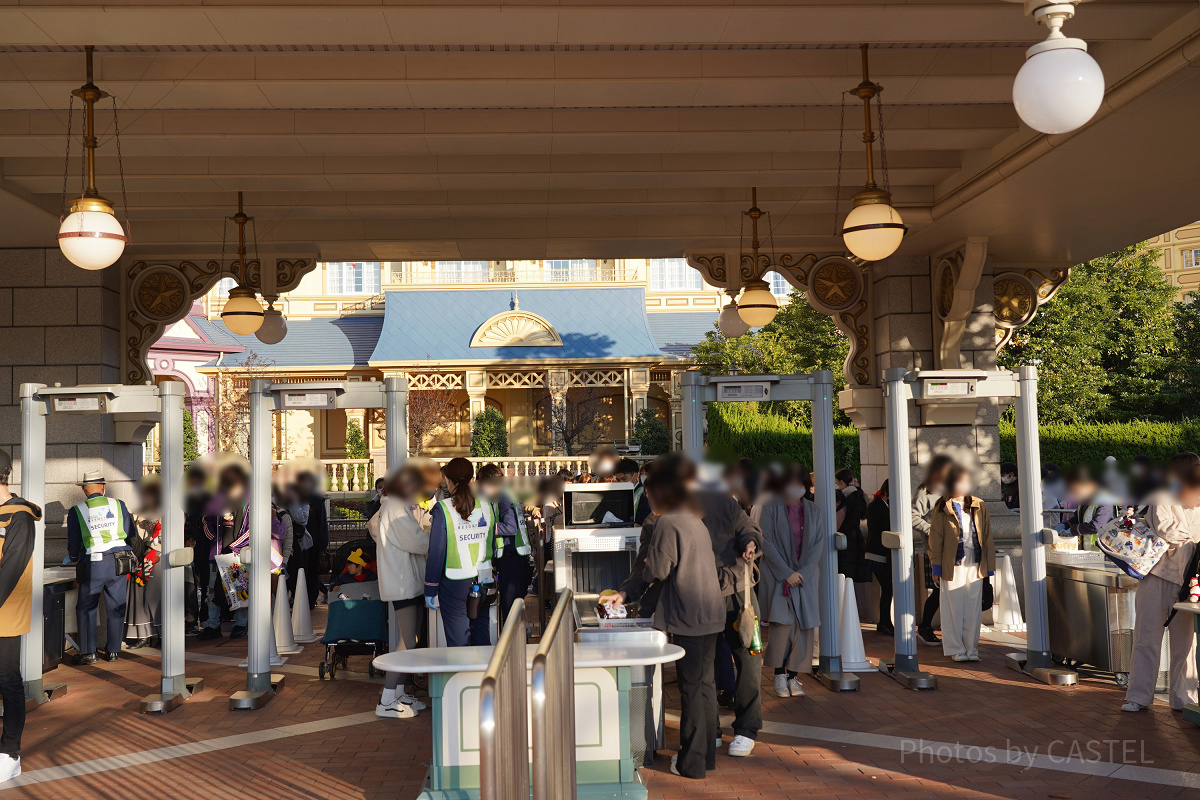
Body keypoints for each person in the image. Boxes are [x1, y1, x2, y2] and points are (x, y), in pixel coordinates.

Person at [640, 471, 725, 780]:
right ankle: (705, 758)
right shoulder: (693, 519)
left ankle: (690, 763)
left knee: (691, 690)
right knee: (705, 687)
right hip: (711, 612)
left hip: (688, 616)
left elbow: (659, 571)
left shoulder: (667, 522)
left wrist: (647, 568)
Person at [681, 455, 762, 758]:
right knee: (707, 665)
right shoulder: (678, 510)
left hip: (739, 595)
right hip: (700, 595)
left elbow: (747, 526)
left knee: (749, 659)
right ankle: (710, 728)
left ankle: (746, 728)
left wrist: (751, 542)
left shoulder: (724, 504)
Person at [1122, 454, 1200, 713]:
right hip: (1156, 576)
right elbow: (1167, 530)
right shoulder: (1162, 498)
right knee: (1147, 638)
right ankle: (1139, 696)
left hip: (1188, 584)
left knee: (1186, 644)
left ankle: (1184, 698)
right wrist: (1193, 539)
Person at [758, 464, 825, 698]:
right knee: (782, 626)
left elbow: (818, 545)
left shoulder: (814, 511)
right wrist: (786, 572)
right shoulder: (771, 507)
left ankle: (794, 676)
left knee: (805, 628)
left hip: (805, 578)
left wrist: (802, 572)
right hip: (779, 578)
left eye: (799, 483)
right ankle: (778, 674)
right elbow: (766, 541)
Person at [369, 465, 430, 719]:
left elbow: (373, 527)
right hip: (403, 581)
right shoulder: (394, 507)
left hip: (406, 580)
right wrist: (437, 537)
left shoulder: (393, 505)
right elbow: (414, 539)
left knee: (411, 639)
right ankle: (386, 698)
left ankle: (398, 693)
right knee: (406, 641)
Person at [424, 458, 496, 647]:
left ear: (447, 479)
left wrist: (430, 587)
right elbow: (492, 544)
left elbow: (436, 552)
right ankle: (483, 676)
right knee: (481, 634)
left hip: (454, 583)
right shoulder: (486, 506)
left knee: (458, 642)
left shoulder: (443, 509)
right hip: (484, 579)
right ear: (473, 478)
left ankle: (460, 676)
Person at [0, 451, 40, 783]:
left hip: (6, 612)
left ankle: (9, 752)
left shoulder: (20, 517)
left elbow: (11, 567)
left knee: (7, 679)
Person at [67, 469, 135, 664]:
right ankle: (113, 650)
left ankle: (89, 653)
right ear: (103, 487)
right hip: (118, 561)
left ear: (84, 490)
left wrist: (73, 557)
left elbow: (73, 544)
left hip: (93, 563)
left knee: (87, 607)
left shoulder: (77, 510)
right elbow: (130, 531)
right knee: (116, 606)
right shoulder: (118, 504)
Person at [928, 464, 994, 662]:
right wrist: (936, 567)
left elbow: (988, 536)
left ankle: (971, 649)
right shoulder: (942, 506)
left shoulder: (979, 505)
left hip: (975, 563)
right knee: (953, 608)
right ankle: (955, 649)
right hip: (953, 563)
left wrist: (989, 567)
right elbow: (935, 539)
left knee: (973, 609)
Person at [476, 464, 531, 626]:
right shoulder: (508, 494)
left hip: (511, 557)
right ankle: (519, 633)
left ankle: (512, 639)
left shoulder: (503, 498)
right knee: (515, 603)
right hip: (516, 556)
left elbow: (511, 528)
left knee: (510, 604)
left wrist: (487, 527)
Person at [913, 454, 953, 647]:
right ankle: (925, 627)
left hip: (957, 547)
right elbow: (912, 516)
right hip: (937, 548)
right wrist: (932, 530)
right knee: (939, 589)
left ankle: (941, 628)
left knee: (950, 589)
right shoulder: (926, 491)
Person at [125, 480, 163, 648]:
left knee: (158, 597)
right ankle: (143, 634)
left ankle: (164, 634)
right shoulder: (136, 512)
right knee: (138, 596)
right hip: (140, 556)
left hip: (160, 556)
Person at [1063, 465, 1118, 549]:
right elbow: (1078, 519)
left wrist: (1072, 530)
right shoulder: (1085, 501)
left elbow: (1096, 526)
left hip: (1102, 550)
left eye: (1077, 489)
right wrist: (1066, 525)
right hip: (1087, 550)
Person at [865, 479, 893, 635]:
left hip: (881, 552)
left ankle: (884, 622)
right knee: (888, 587)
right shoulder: (875, 506)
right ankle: (884, 622)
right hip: (877, 552)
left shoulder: (883, 505)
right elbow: (879, 527)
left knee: (887, 588)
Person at [184, 466, 209, 637]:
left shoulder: (209, 500)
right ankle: (192, 621)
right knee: (191, 584)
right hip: (190, 546)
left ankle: (203, 621)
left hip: (205, 547)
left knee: (203, 584)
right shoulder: (187, 500)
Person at [298, 471, 329, 608]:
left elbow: (321, 522)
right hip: (309, 541)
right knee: (309, 572)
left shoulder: (313, 499)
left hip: (307, 542)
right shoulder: (306, 498)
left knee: (308, 572)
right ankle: (309, 599)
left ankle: (309, 600)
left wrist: (322, 543)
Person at [835, 468, 869, 584]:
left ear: (842, 482)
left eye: (836, 482)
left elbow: (851, 520)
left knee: (846, 577)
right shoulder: (855, 496)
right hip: (852, 540)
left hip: (849, 542)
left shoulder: (852, 498)